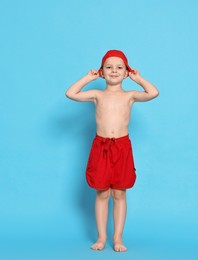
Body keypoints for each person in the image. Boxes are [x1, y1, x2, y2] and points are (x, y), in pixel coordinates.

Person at [66, 50, 159, 252]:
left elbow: (153, 92)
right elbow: (71, 93)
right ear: (102, 72)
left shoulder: (130, 95)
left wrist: (138, 78)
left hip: (122, 147)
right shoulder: (97, 95)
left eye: (120, 67)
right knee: (102, 193)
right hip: (101, 146)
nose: (114, 71)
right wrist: (88, 77)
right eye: (109, 67)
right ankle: (101, 237)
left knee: (119, 193)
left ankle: (118, 238)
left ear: (126, 72)